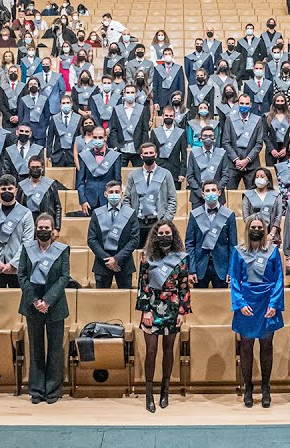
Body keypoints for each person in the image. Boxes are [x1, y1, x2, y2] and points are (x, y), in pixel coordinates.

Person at [230, 214, 285, 408]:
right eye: (253, 227)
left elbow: (279, 279)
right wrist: (239, 303)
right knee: (246, 345)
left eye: (260, 227)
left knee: (266, 344)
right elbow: (234, 280)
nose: (256, 230)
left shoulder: (272, 251)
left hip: (267, 301)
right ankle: (248, 388)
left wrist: (274, 304)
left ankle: (266, 388)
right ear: (247, 229)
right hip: (246, 302)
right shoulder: (238, 251)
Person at [137, 220, 192, 412]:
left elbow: (184, 286)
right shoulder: (147, 257)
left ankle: (165, 391)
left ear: (173, 235)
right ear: (155, 236)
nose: (164, 236)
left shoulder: (181, 258)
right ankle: (149, 393)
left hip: (172, 307)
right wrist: (145, 310)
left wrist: (182, 312)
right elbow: (142, 285)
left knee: (168, 350)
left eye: (167, 232)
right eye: (160, 233)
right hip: (151, 307)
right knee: (151, 351)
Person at [19, 213, 70, 404]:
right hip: (32, 302)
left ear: (53, 230)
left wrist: (47, 301)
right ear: (35, 229)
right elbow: (22, 276)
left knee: (55, 348)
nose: (43, 231)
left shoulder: (62, 249)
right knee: (36, 347)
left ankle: (53, 390)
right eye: (40, 228)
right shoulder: (27, 248)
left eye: (46, 228)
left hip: (54, 303)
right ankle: (37, 389)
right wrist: (34, 300)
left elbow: (64, 277)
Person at [0, 175, 35, 287]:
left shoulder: (26, 214)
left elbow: (27, 242)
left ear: (16, 190)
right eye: (3, 189)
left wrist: (13, 264)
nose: (7, 191)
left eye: (10, 188)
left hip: (18, 269)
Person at [88, 180, 141, 288]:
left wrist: (116, 259)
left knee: (125, 301)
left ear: (122, 194)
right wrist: (108, 259)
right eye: (111, 192)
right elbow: (91, 240)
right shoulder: (96, 213)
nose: (114, 194)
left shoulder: (130, 213)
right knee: (101, 302)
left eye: (117, 192)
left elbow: (134, 240)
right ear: (105, 194)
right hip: (102, 264)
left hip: (124, 264)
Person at [124, 143, 178, 227]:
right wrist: (132, 220)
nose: (148, 155)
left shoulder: (166, 174)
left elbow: (172, 199)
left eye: (151, 153)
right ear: (141, 156)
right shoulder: (133, 175)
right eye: (146, 153)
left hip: (158, 222)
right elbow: (126, 199)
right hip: (138, 222)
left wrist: (165, 221)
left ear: (155, 155)